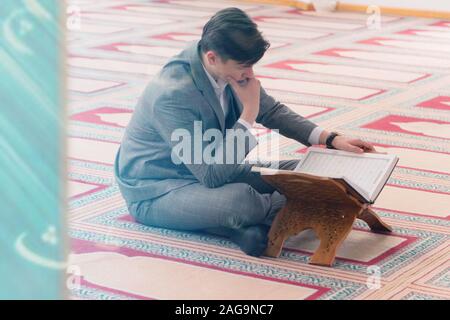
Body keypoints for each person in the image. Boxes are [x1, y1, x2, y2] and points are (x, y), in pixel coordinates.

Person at [114, 7, 375, 257]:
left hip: (217, 168)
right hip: (159, 189)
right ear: (212, 58)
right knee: (243, 202)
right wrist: (249, 111)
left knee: (311, 171)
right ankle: (249, 219)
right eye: (243, 66)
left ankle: (236, 228)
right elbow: (211, 175)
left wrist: (331, 139)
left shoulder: (224, 64)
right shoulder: (172, 95)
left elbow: (272, 111)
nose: (250, 74)